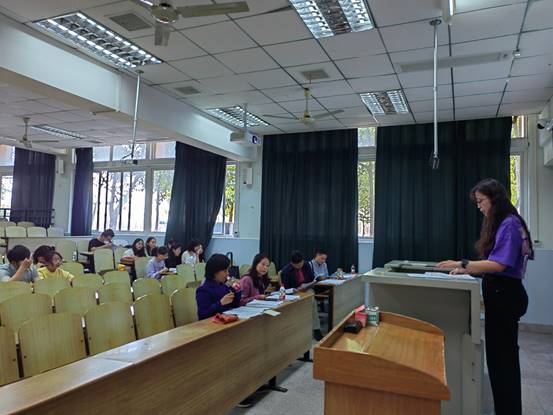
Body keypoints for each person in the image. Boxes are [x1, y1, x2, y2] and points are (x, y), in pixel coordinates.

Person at [438, 178, 533, 415]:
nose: (479, 206)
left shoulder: (509, 223)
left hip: (505, 296)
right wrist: (466, 270)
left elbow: (499, 265)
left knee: (503, 362)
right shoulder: (504, 222)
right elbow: (493, 265)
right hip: (501, 295)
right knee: (499, 361)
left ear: (494, 199)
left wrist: (463, 264)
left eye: (481, 201)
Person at [280, 250, 324, 340]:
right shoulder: (286, 271)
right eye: (296, 266)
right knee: (311, 300)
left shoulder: (306, 265)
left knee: (311, 297)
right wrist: (297, 289)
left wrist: (307, 284)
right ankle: (311, 328)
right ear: (292, 263)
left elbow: (312, 278)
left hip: (307, 289)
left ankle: (316, 329)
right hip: (294, 293)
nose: (299, 267)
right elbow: (286, 289)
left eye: (300, 264)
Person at [196, 254, 241, 320]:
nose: (228, 273)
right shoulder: (203, 289)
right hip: (211, 323)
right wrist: (220, 303)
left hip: (226, 320)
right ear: (215, 272)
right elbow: (203, 314)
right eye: (225, 271)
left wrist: (237, 290)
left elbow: (235, 305)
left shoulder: (225, 284)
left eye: (228, 270)